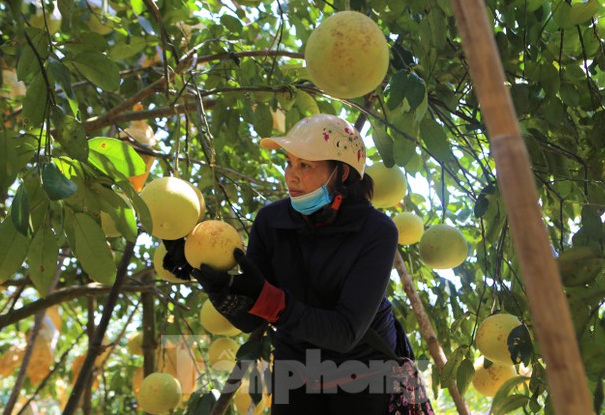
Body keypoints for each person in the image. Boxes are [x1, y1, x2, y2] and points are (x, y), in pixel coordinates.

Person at [163, 114, 432, 414]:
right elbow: (252, 319)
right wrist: (214, 283)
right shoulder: (271, 222)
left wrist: (270, 300)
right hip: (298, 369)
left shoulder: (377, 232)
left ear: (341, 173)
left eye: (305, 165)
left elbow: (345, 332)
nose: (291, 175)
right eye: (289, 162)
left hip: (365, 371)